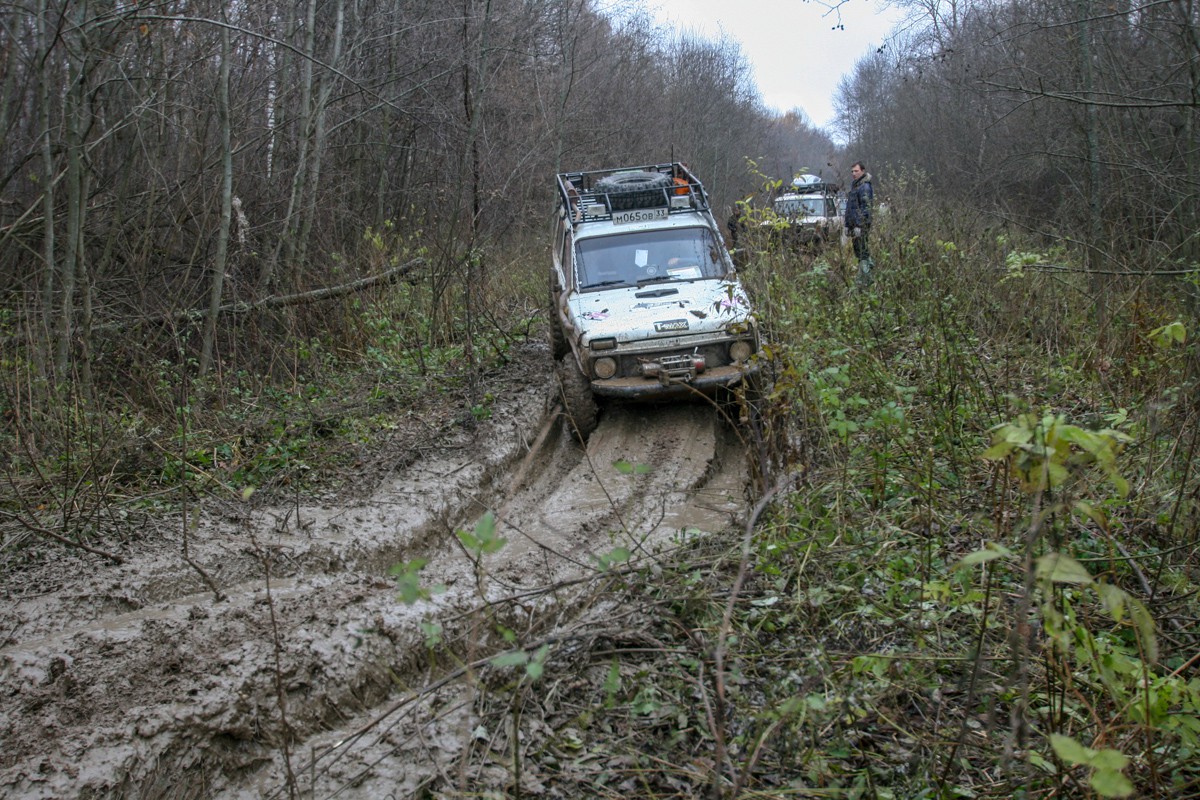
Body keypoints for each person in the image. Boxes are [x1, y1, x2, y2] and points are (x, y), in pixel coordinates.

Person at [844, 161, 874, 285]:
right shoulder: (855, 186)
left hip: (861, 226)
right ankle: (865, 274)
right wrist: (847, 225)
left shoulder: (865, 187)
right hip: (853, 225)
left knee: (862, 252)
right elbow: (850, 208)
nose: (853, 173)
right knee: (858, 251)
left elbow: (865, 209)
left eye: (856, 171)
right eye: (852, 171)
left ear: (862, 171)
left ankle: (866, 279)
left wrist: (859, 225)